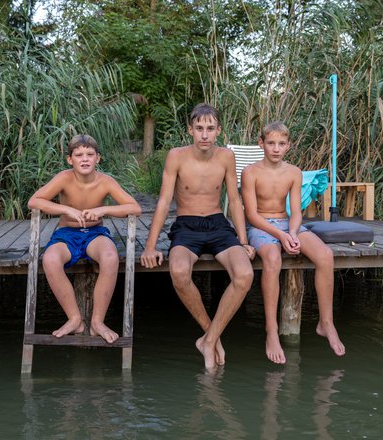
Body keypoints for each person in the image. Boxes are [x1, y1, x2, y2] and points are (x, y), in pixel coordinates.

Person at [140, 103, 255, 372]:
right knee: (179, 272)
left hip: (218, 225)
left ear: (218, 131)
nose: (205, 134)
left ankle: (209, 340)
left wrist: (244, 239)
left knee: (245, 275)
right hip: (186, 225)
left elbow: (235, 200)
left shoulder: (226, 157)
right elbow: (163, 200)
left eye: (210, 128)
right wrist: (149, 246)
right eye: (200, 128)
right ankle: (210, 335)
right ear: (190, 130)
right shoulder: (176, 156)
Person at [241, 121, 345, 364]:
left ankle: (325, 322)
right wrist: (281, 236)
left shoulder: (294, 173)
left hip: (289, 224)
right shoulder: (250, 172)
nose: (276, 149)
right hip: (261, 226)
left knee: (325, 256)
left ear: (289, 145)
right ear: (261, 144)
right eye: (270, 143)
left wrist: (294, 233)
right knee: (273, 258)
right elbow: (251, 215)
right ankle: (271, 330)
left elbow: (296, 211)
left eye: (281, 144)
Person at [27, 134, 141, 344]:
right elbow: (34, 201)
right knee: (50, 260)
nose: (85, 159)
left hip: (94, 234)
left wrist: (103, 210)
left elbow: (134, 207)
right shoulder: (64, 178)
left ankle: (97, 321)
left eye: (90, 154)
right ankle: (75, 318)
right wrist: (66, 209)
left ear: (98, 158)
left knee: (110, 256)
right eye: (79, 155)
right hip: (66, 235)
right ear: (70, 160)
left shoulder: (105, 181)